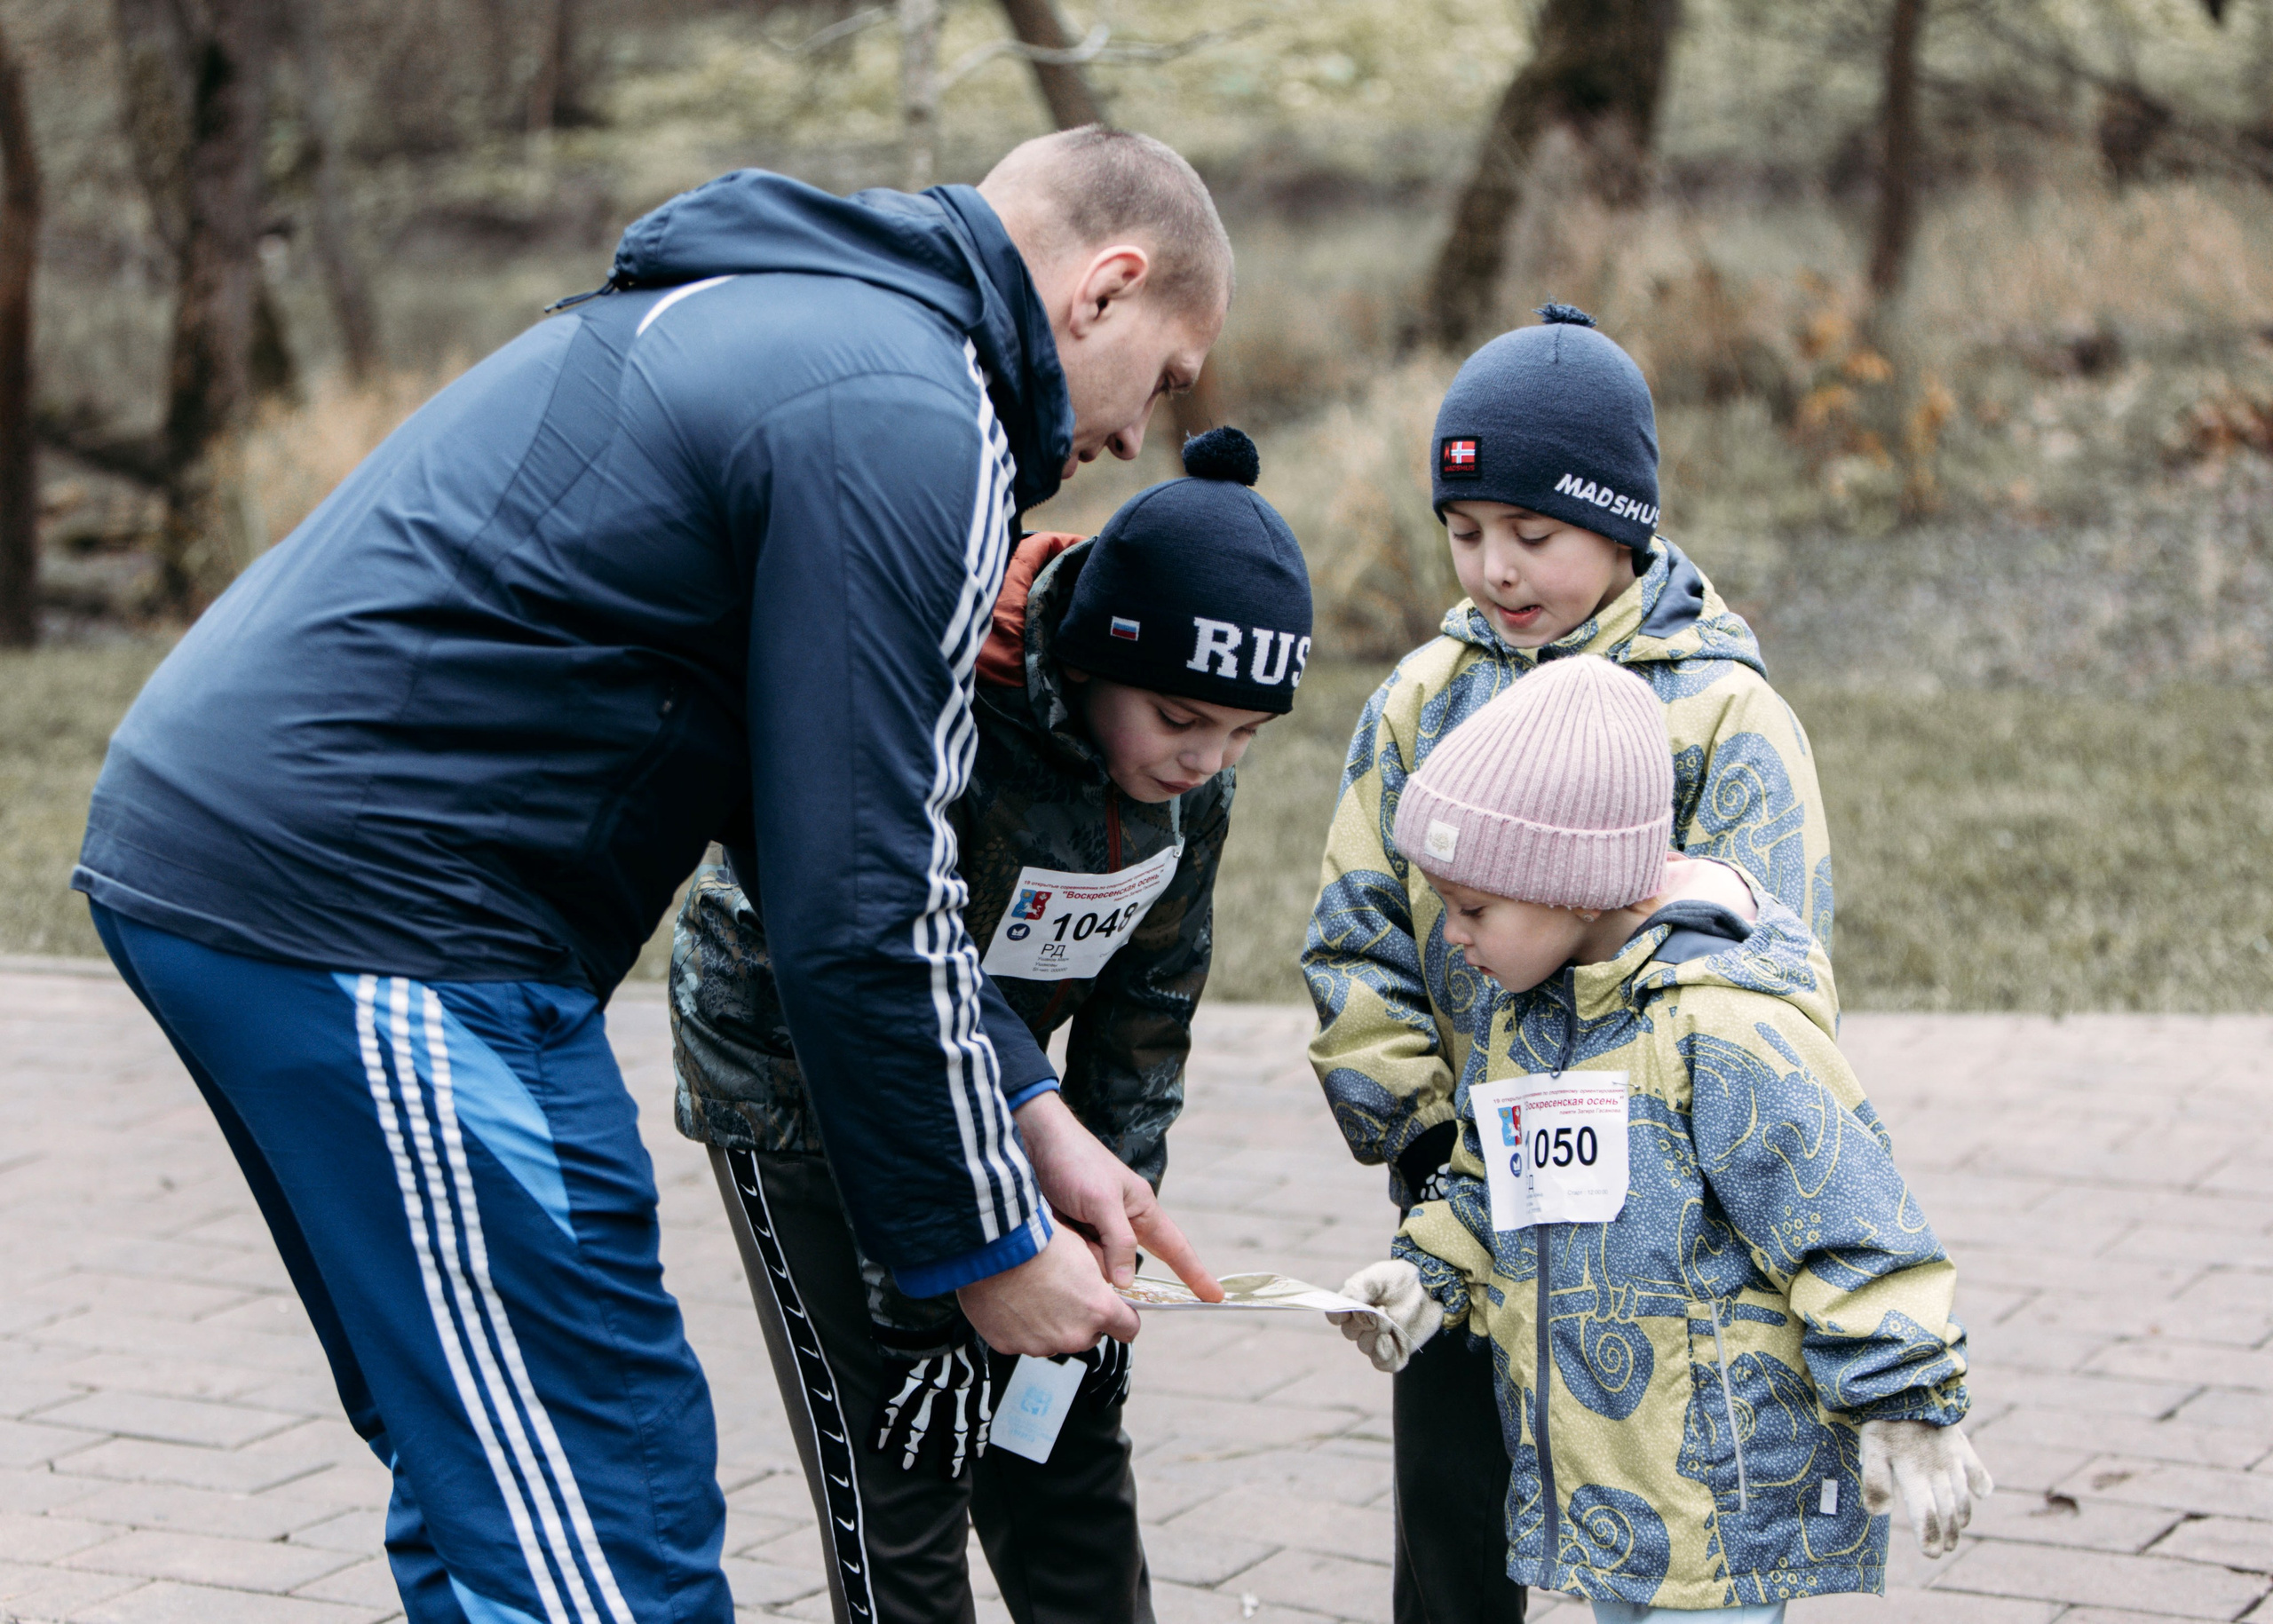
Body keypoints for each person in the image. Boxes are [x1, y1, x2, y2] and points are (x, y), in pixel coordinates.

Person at [70, 127, 1234, 1624]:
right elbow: (857, 904)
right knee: (602, 1510)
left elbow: (809, 808)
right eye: (1169, 373)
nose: (1144, 434)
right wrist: (985, 1243)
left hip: (358, 898)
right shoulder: (910, 413)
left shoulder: (818, 334)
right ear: (1104, 289)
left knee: (509, 1460)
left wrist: (1026, 1107)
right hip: (375, 904)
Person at [671, 425, 1313, 1624]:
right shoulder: (944, 702)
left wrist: (1109, 1248)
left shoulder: (1192, 782)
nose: (1209, 759)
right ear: (1087, 656)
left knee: (1061, 1432)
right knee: (908, 1450)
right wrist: (926, 1299)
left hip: (1010, 1089)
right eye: (1180, 716)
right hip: (806, 1068)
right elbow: (879, 983)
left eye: (1243, 734)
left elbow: (1148, 1007)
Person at [1301, 303, 1836, 1624]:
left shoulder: (1722, 715)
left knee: (1674, 1541)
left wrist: (1701, 1156)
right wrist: (1424, 1137)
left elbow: (1775, 966)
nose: (1494, 567)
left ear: (1623, 522)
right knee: (1453, 1542)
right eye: (1464, 531)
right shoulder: (1422, 701)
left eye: (1533, 533)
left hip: (1665, 1234)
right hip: (1466, 1207)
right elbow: (1357, 927)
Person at [1330, 654, 1991, 1621]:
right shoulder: (1526, 1020)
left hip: (1722, 1481)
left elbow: (1846, 1213)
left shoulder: (1719, 1025)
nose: (1455, 937)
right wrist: (1429, 1268)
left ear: (1579, 885)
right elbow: (1494, 1180)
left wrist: (1907, 1396)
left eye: (1473, 908)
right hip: (1617, 1487)